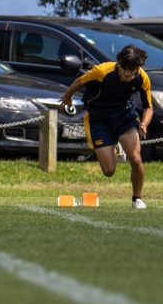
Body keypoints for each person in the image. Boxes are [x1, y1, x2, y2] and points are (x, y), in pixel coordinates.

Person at [60, 44, 152, 209]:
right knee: (109, 171)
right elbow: (79, 82)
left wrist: (144, 123)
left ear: (137, 69)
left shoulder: (142, 78)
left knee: (136, 159)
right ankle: (116, 147)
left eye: (130, 75)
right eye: (123, 72)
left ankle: (136, 199)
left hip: (124, 116)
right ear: (118, 64)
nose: (126, 77)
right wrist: (67, 96)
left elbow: (148, 107)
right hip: (99, 119)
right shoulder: (102, 71)